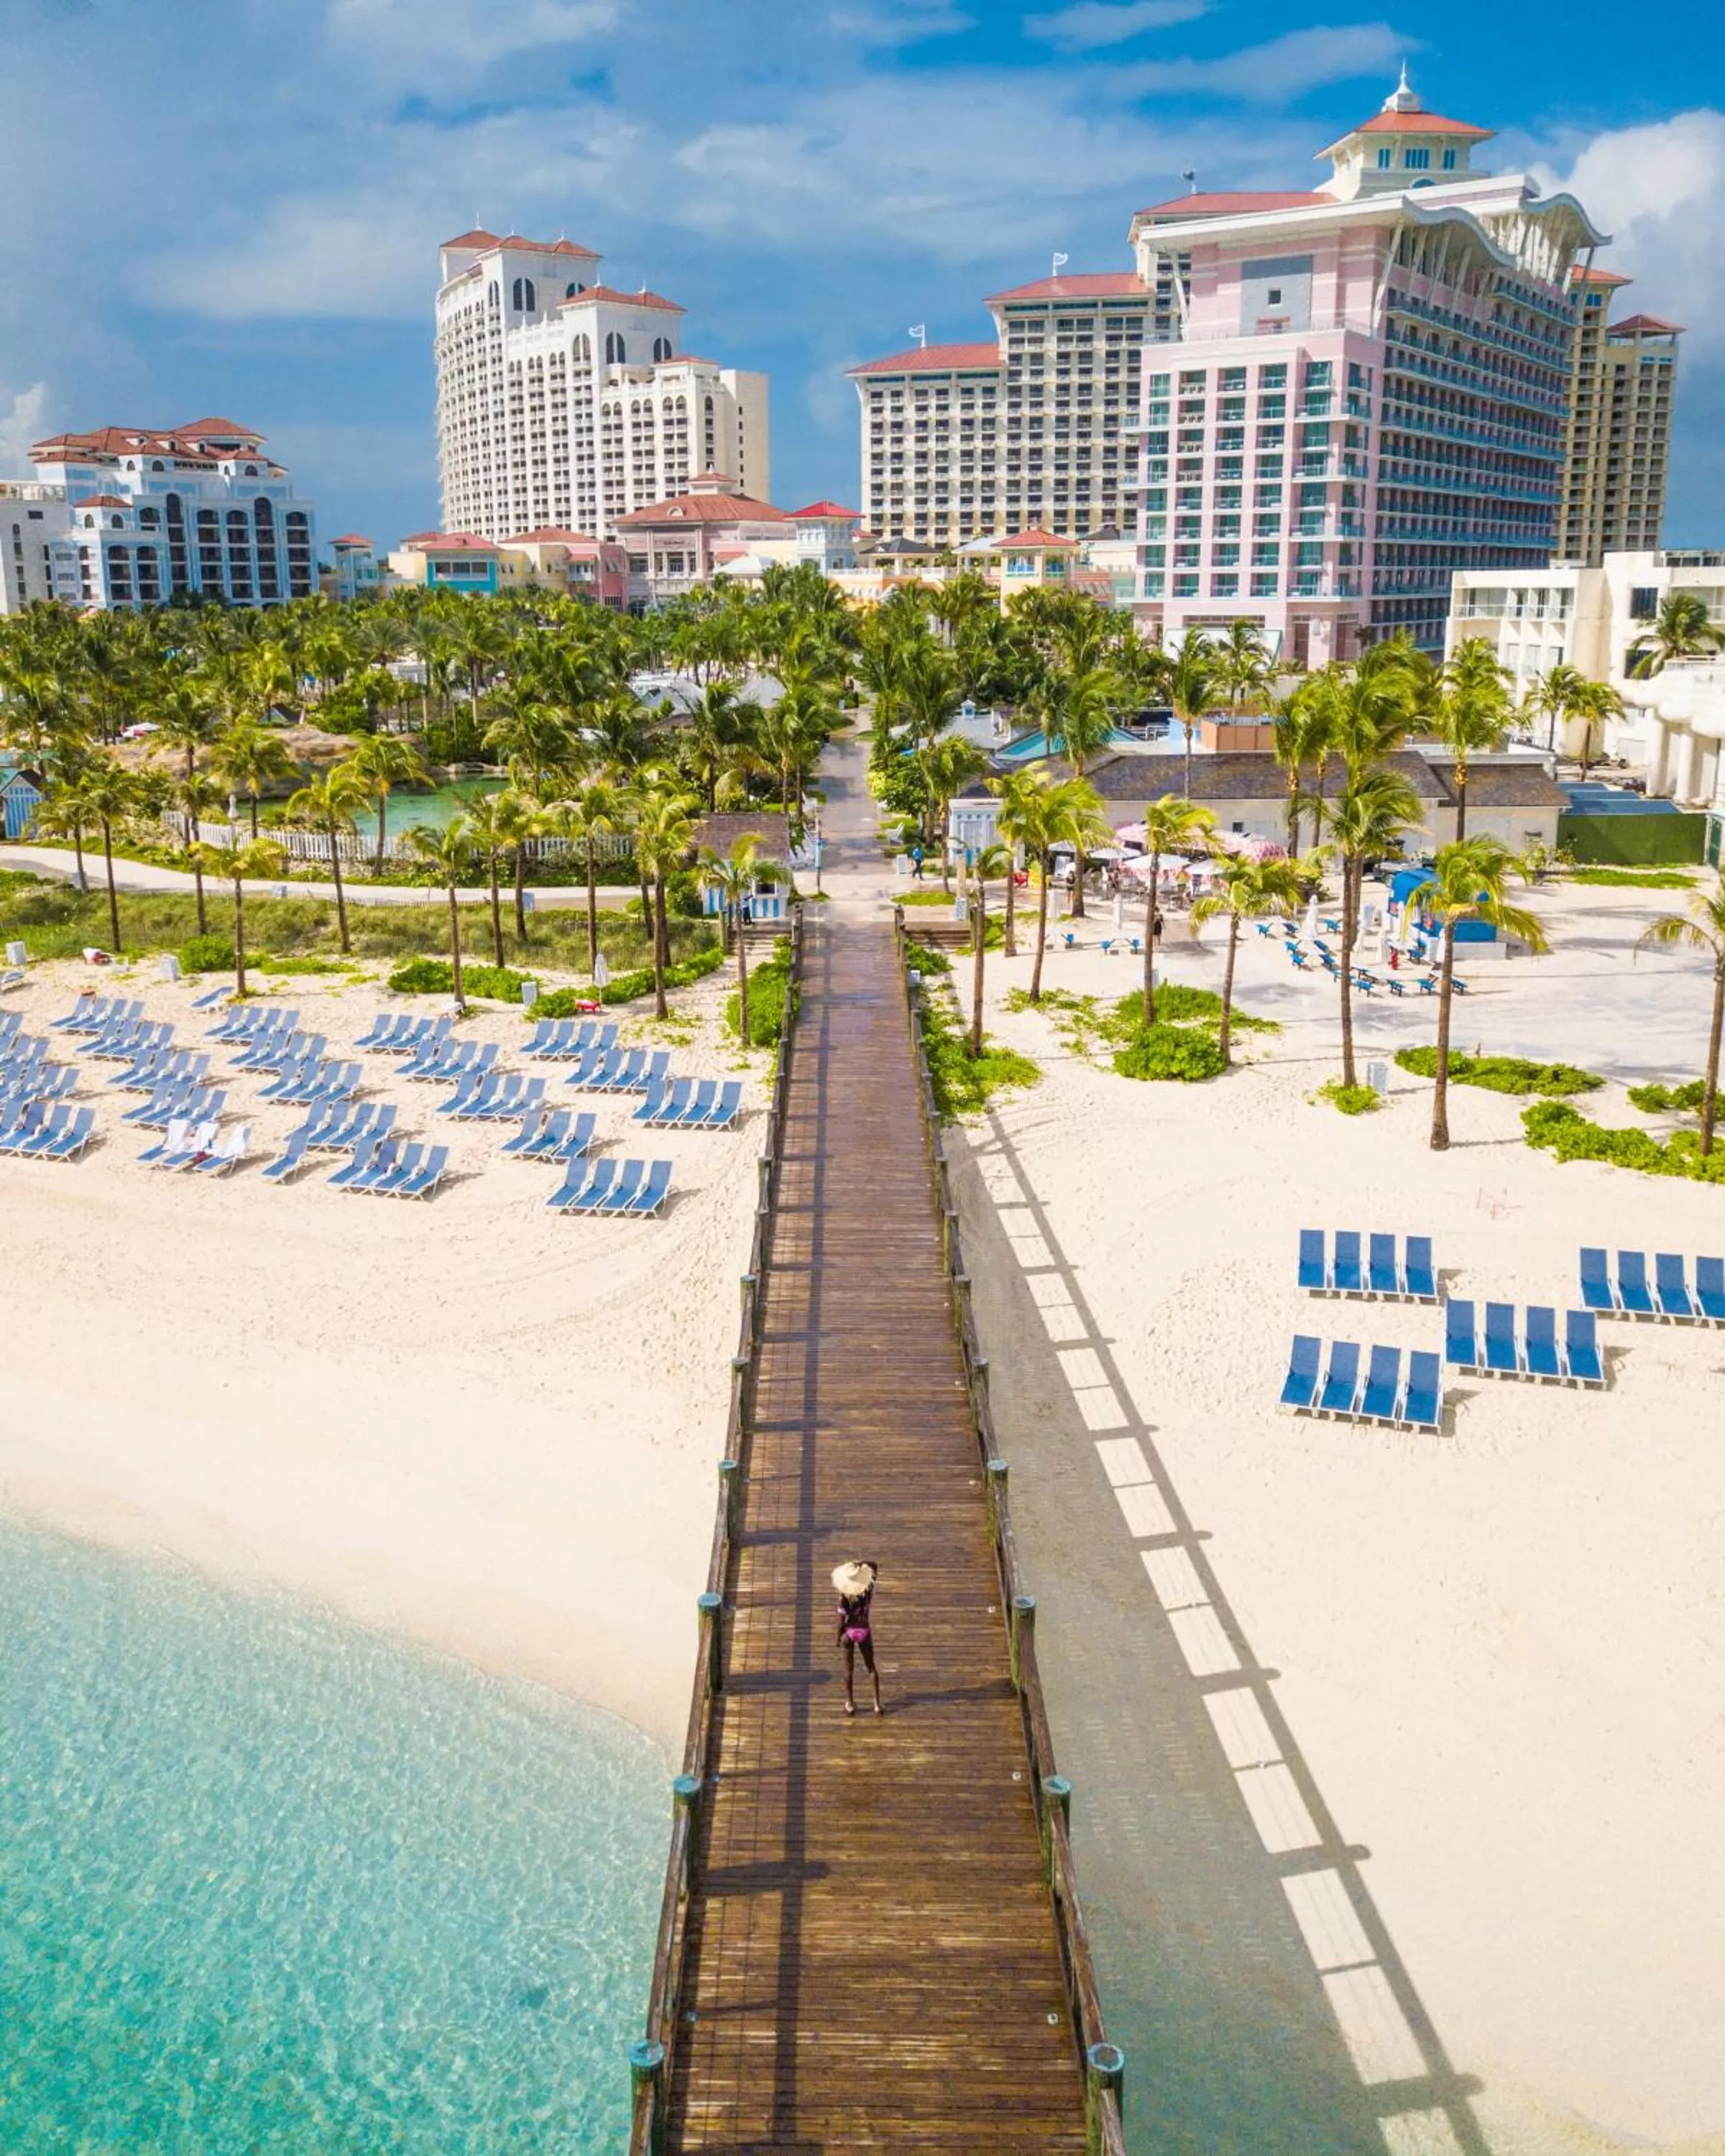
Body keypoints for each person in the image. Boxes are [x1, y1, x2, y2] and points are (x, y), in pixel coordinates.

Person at [832, 1558, 883, 1715]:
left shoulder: (844, 1596)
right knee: (871, 1668)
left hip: (849, 1632)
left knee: (848, 1670)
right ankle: (877, 1704)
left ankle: (850, 1704)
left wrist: (837, 1637)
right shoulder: (868, 1588)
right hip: (864, 1630)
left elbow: (841, 1621)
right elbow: (875, 1566)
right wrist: (861, 1563)